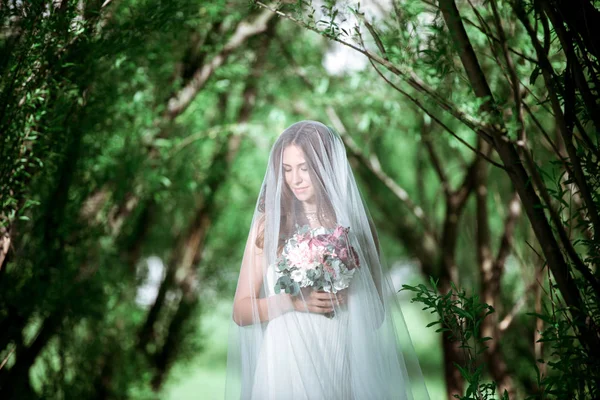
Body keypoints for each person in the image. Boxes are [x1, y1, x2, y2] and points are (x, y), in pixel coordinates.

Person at [225, 121, 429, 400]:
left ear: (326, 167)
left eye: (304, 168)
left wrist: (351, 295)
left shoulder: (357, 229)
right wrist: (293, 302)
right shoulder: (269, 227)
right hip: (285, 364)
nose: (295, 179)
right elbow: (240, 312)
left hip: (340, 358)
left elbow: (377, 317)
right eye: (287, 169)